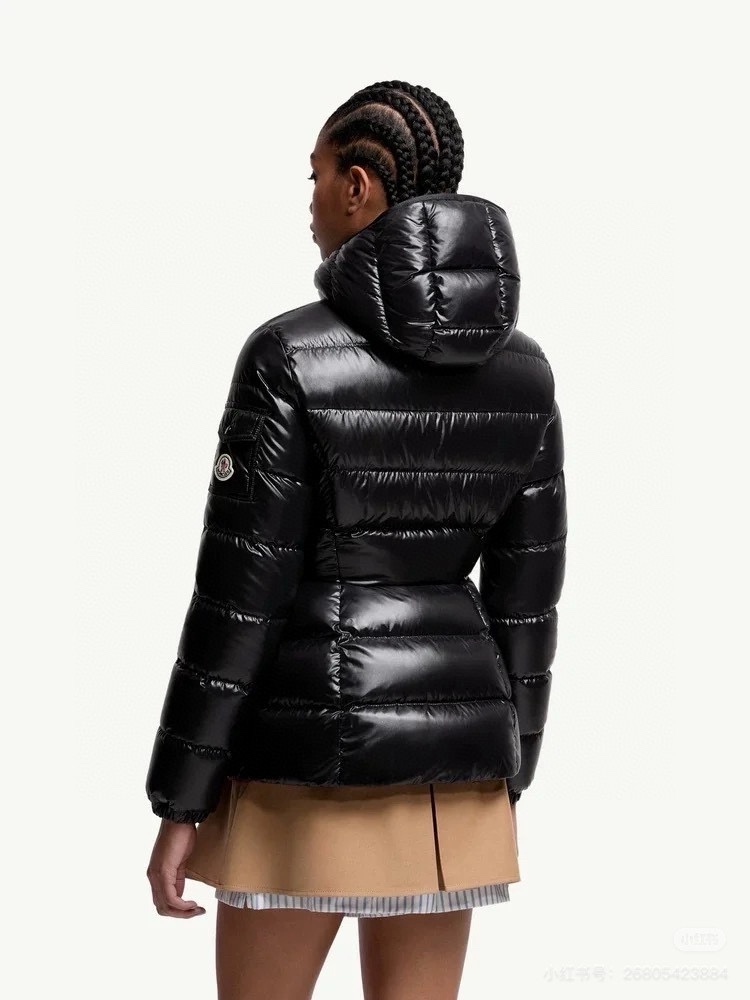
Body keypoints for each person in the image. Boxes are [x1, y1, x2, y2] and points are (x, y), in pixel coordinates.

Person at [145, 79, 567, 1000]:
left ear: (358, 186)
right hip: (456, 781)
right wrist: (510, 765)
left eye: (316, 176)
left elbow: (240, 597)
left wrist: (181, 796)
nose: (309, 201)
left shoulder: (287, 356)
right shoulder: (526, 371)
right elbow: (529, 600)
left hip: (306, 763)